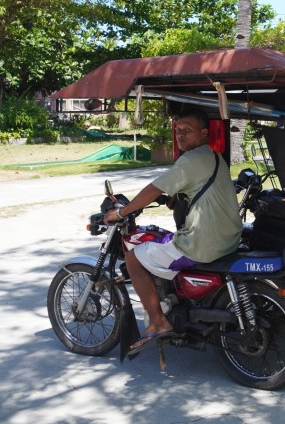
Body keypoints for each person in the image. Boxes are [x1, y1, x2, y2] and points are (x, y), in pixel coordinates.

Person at [103, 107, 242, 353]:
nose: (180, 135)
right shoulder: (214, 157)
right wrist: (174, 199)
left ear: (203, 133)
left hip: (202, 244)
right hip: (229, 240)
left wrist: (122, 212)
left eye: (187, 131)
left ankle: (158, 321)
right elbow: (194, 188)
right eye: (178, 131)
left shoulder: (190, 159)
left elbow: (154, 188)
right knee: (161, 241)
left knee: (134, 258)